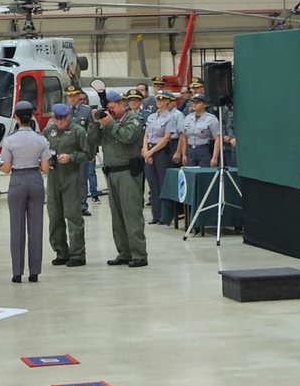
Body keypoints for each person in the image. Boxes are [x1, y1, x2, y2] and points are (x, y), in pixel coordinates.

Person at [87, 91, 147, 268]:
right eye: (109, 109)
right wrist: (96, 123)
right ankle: (124, 252)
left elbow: (128, 137)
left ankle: (139, 254)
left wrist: (111, 123)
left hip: (128, 172)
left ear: (122, 104)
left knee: (131, 214)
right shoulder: (106, 122)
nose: (111, 112)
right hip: (111, 172)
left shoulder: (134, 119)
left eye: (113, 108)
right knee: (117, 217)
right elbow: (92, 141)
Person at [0, 101, 50, 283]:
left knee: (16, 228)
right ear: (32, 116)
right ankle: (34, 272)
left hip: (17, 180)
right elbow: (45, 168)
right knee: (35, 228)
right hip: (35, 179)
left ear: (16, 118)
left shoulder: (10, 140)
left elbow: (6, 168)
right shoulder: (41, 140)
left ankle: (17, 272)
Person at [43, 103, 90, 268]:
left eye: (64, 118)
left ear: (69, 117)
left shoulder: (78, 132)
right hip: (54, 176)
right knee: (54, 214)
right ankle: (61, 251)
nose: (61, 122)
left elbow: (88, 154)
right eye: (58, 119)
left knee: (73, 215)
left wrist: (71, 157)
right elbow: (44, 150)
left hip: (72, 176)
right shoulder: (49, 131)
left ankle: (78, 253)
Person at [143, 90, 176, 225]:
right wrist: (146, 151)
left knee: (162, 183)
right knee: (152, 183)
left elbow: (166, 138)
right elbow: (146, 135)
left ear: (167, 101)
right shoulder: (151, 117)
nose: (160, 102)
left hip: (161, 151)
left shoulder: (170, 118)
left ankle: (165, 215)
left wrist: (151, 152)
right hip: (149, 149)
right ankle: (155, 214)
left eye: (162, 100)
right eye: (158, 99)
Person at [65, 85, 93, 217]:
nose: (72, 99)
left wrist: (90, 151)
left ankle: (82, 206)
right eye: (70, 96)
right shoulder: (63, 111)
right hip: (67, 151)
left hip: (81, 151)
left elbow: (91, 132)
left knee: (82, 179)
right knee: (68, 179)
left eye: (74, 96)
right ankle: (69, 205)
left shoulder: (86, 111)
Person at [179, 93, 220, 167]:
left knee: (204, 174)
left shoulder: (211, 119)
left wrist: (214, 157)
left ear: (204, 105)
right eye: (193, 102)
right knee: (190, 175)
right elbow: (184, 137)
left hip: (204, 149)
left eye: (197, 103)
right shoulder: (188, 118)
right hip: (190, 150)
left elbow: (217, 138)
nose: (194, 104)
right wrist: (184, 154)